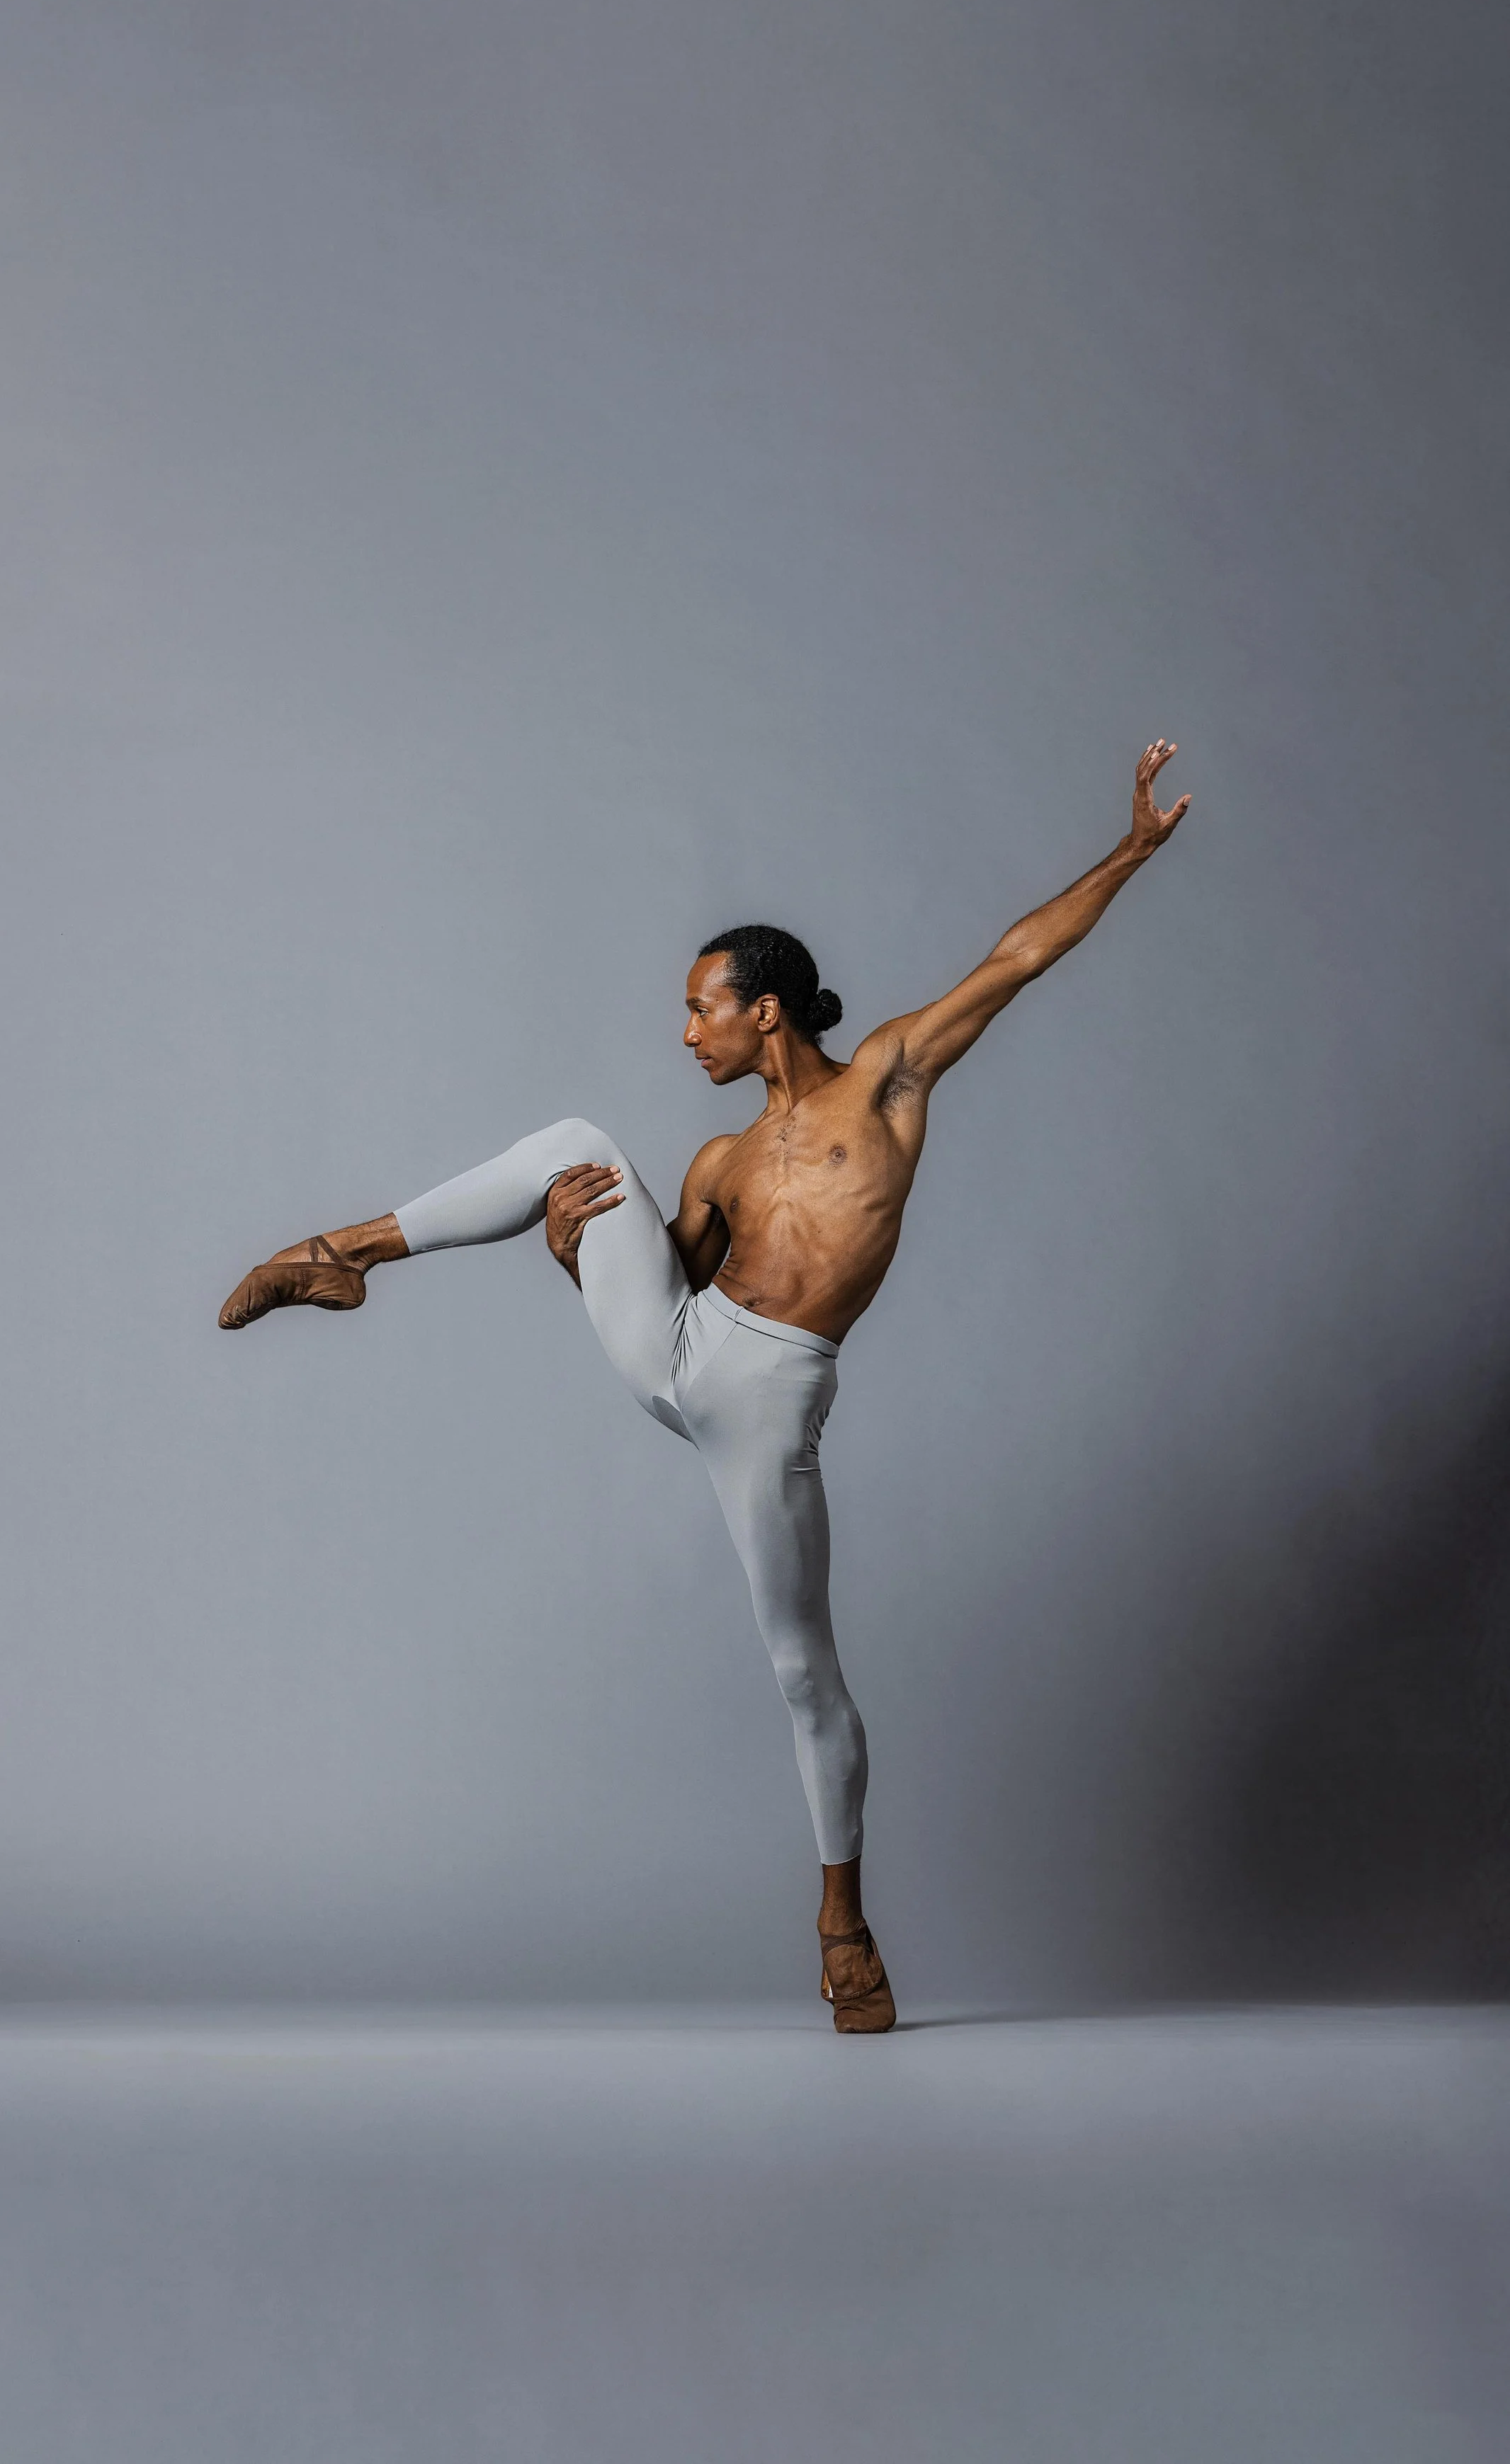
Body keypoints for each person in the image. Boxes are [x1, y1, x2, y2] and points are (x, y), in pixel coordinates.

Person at [219, 741, 1191, 2031]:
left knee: (805, 1673)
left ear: (765, 1011)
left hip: (772, 1403)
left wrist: (1127, 848)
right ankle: (340, 1253)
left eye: (702, 1009)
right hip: (685, 1354)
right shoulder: (720, 1160)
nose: (688, 1031)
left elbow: (1017, 957)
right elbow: (658, 1302)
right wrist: (572, 1256)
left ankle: (843, 1920)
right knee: (574, 1145)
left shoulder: (887, 1081)